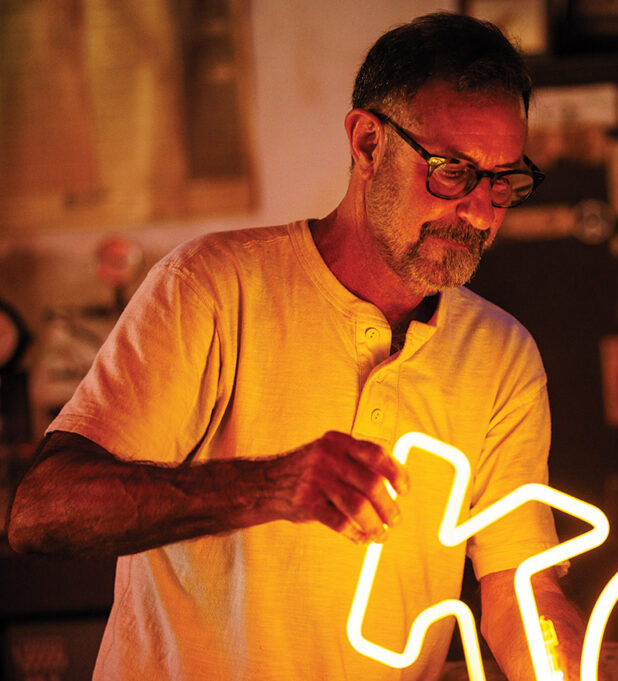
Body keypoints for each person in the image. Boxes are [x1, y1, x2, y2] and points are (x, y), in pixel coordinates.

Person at [7, 12, 584, 681]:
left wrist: (568, 663)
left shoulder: (501, 356)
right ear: (368, 143)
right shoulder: (210, 288)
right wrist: (268, 485)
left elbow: (521, 590)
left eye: (503, 180)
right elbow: (41, 511)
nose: (481, 211)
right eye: (452, 171)